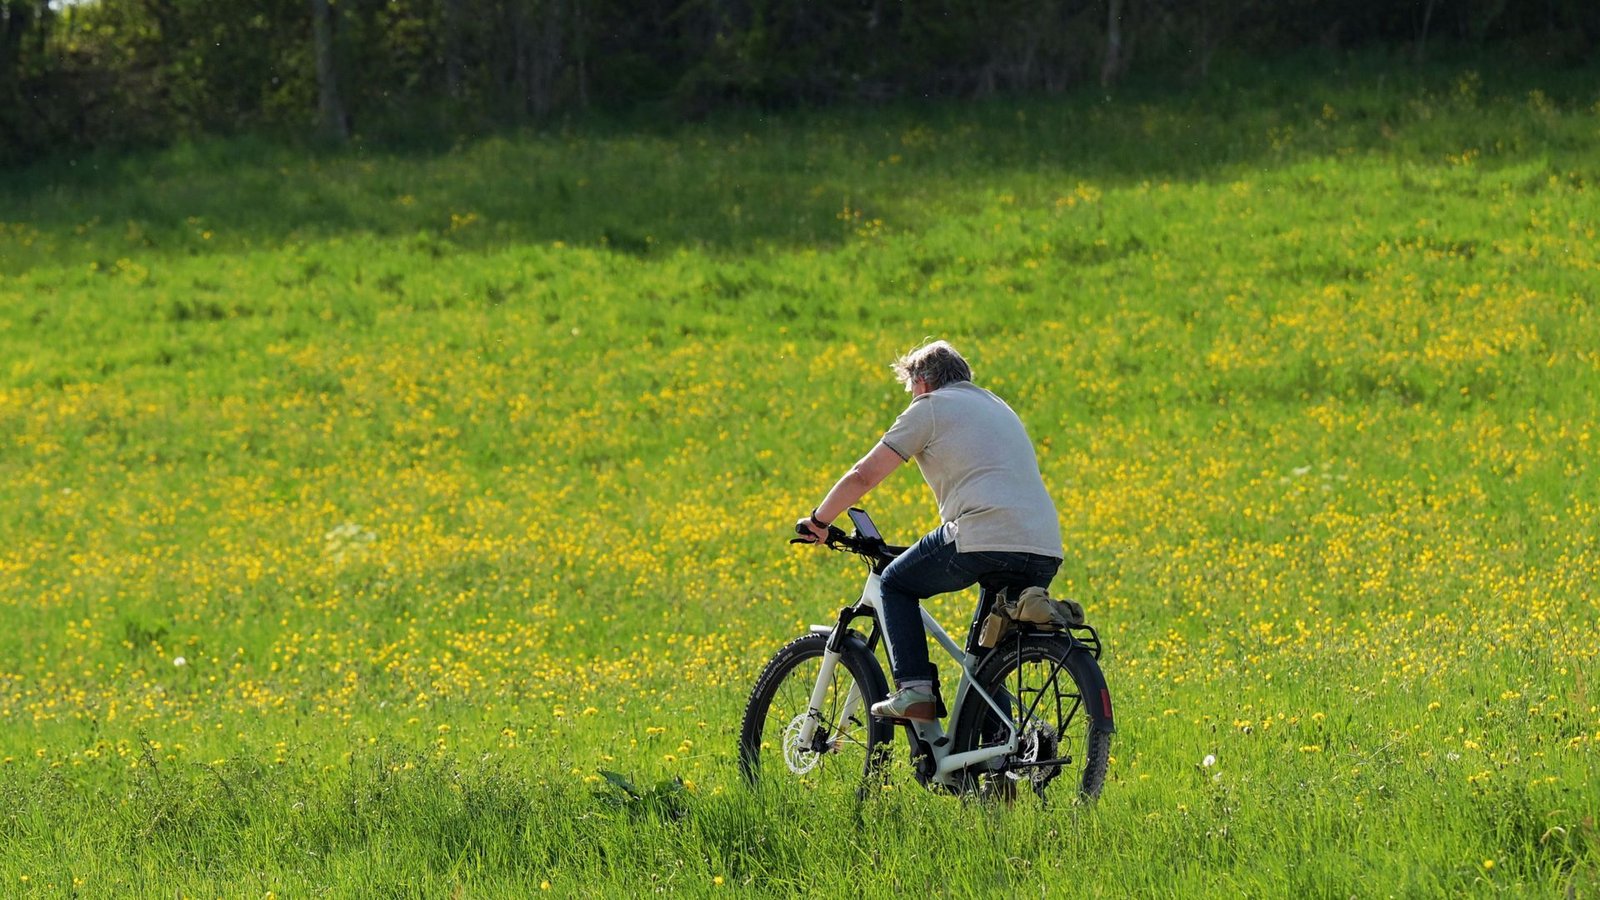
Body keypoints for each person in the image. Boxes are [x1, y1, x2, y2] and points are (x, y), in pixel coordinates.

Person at [795, 340, 1063, 722]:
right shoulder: (998, 406)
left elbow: (863, 475)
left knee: (894, 583)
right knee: (985, 661)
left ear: (921, 382)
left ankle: (914, 690)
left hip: (982, 535)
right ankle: (996, 760)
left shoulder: (931, 407)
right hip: (1043, 545)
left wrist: (820, 521)